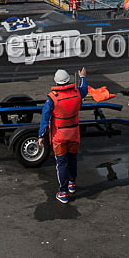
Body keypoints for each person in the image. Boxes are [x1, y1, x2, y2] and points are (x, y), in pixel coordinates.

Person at [38, 67, 88, 204]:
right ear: (68, 80)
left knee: (61, 163)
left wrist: (41, 135)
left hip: (59, 136)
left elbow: (45, 118)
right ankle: (72, 183)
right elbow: (85, 89)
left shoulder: (52, 98)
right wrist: (83, 77)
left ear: (56, 81)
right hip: (74, 133)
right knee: (72, 158)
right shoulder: (77, 93)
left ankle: (63, 193)